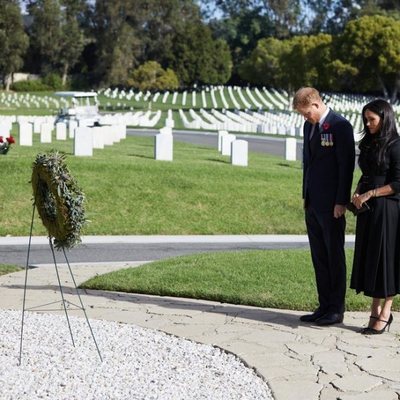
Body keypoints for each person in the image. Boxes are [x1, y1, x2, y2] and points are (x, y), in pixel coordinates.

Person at [293, 87, 355, 326]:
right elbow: (309, 163)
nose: (305, 118)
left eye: (307, 113)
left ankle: (336, 309)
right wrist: (305, 195)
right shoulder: (309, 126)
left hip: (332, 205)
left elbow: (345, 166)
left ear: (316, 105)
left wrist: (341, 201)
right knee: (319, 256)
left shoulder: (340, 126)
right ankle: (323, 304)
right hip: (312, 202)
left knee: (333, 255)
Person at [350, 99, 400, 335]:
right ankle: (374, 309)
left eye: (372, 120)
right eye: (365, 119)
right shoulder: (369, 143)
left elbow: (398, 183)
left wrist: (371, 193)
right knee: (372, 259)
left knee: (386, 261)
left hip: (388, 210)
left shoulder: (397, 145)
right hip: (368, 210)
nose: (367, 124)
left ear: (385, 118)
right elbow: (368, 173)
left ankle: (385, 312)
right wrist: (359, 190)